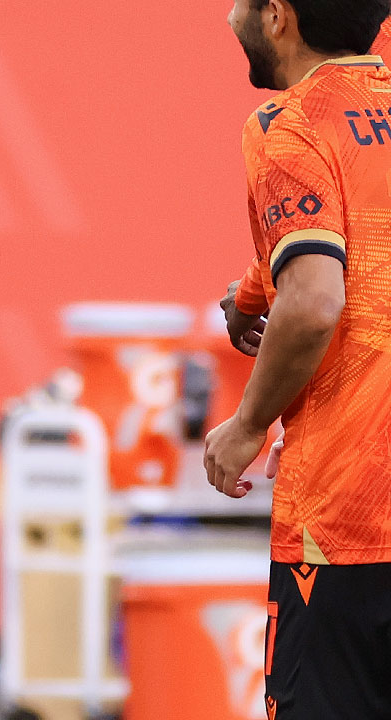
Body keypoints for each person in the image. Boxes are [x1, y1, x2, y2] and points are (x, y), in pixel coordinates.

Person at [207, 0, 391, 717]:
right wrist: (256, 291)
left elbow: (315, 299)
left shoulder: (288, 127)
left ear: (278, 17)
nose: (229, 18)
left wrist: (248, 426)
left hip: (347, 526)